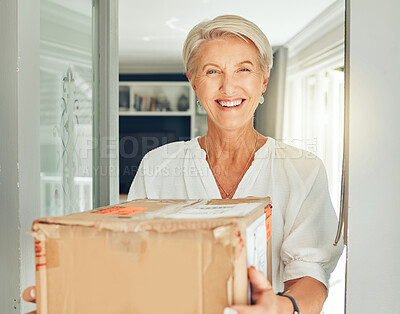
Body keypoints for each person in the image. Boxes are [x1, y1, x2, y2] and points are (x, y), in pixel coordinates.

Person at [24, 15, 343, 314]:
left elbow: (311, 274)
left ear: (263, 80)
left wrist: (282, 308)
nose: (228, 87)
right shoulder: (158, 164)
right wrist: (72, 292)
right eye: (212, 71)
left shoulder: (303, 168)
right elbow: (128, 256)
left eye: (243, 70)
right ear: (193, 81)